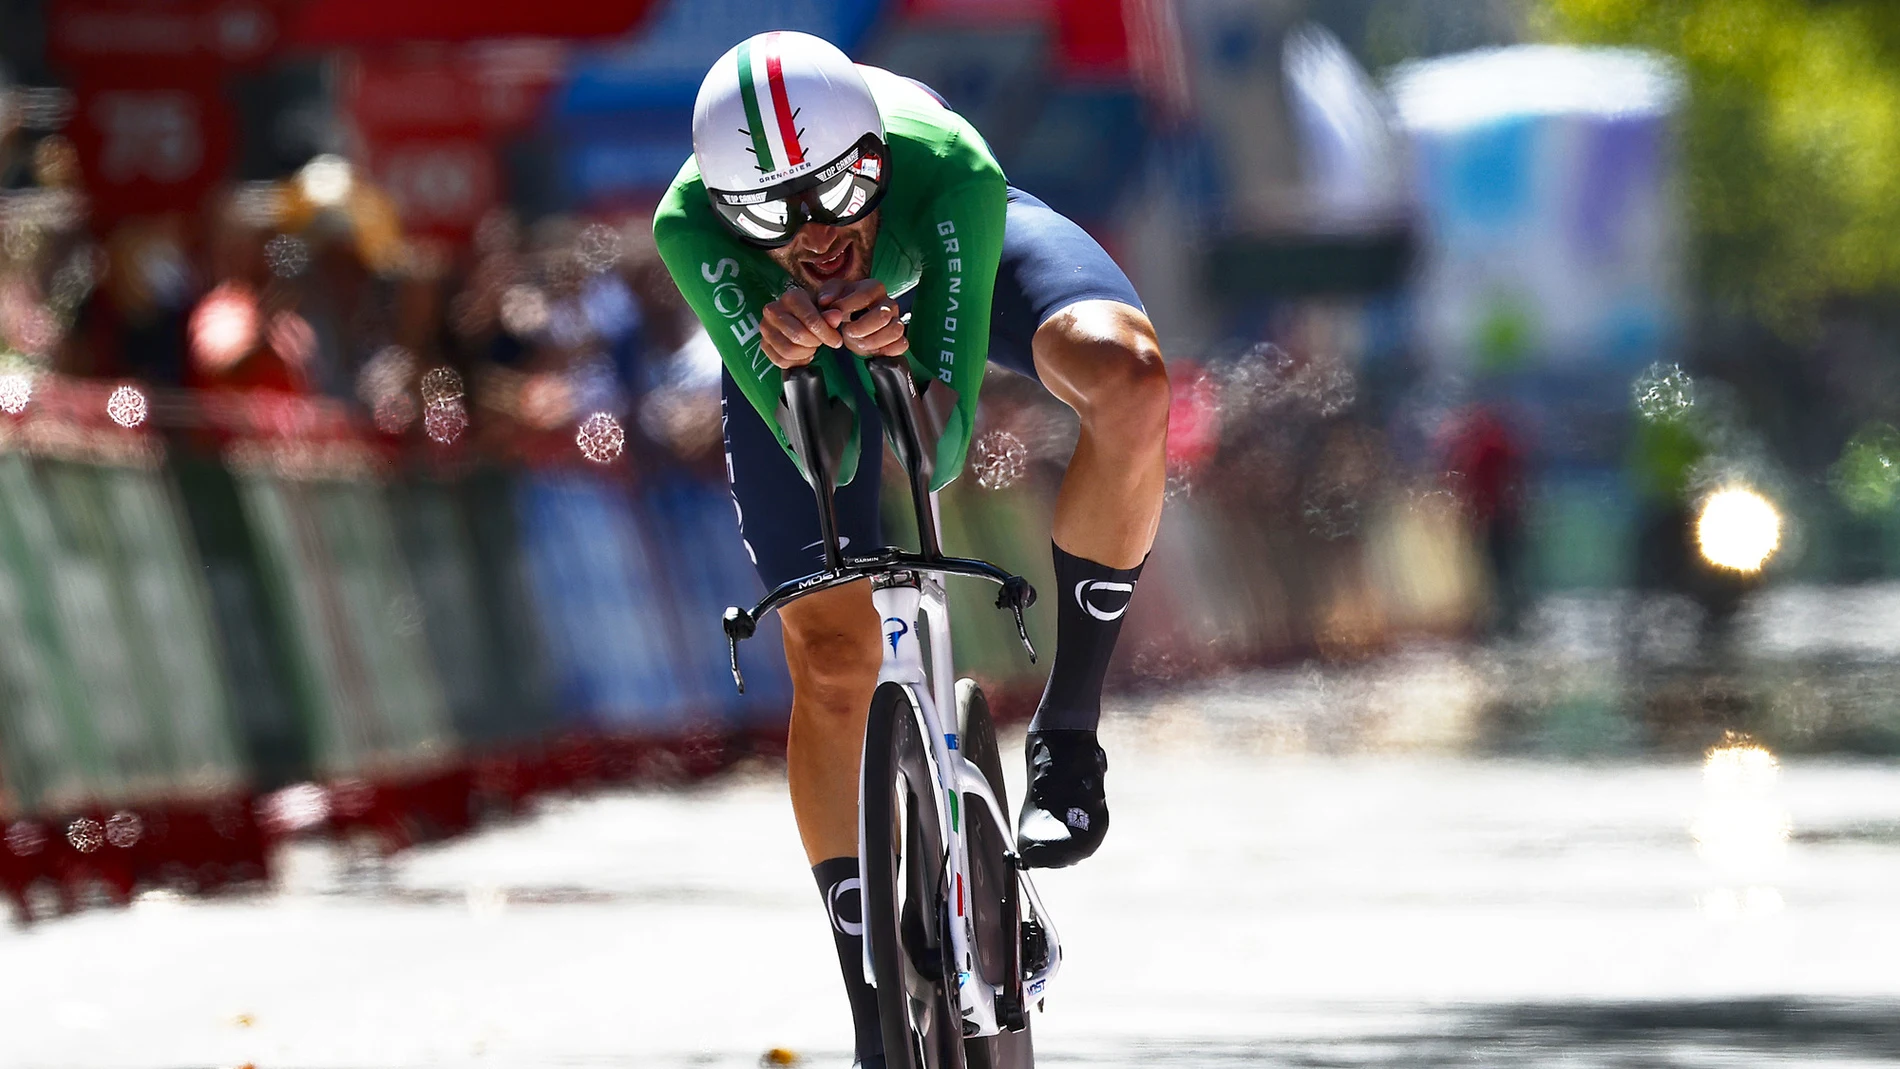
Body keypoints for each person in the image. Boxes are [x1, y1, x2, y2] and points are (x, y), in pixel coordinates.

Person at [653, 31, 1169, 1067]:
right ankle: (869, 1002)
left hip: (947, 255)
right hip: (799, 345)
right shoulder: (692, 227)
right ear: (726, 209)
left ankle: (1067, 736)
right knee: (833, 654)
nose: (810, 235)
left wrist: (897, 344)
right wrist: (801, 352)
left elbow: (935, 452)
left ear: (875, 160)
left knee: (1129, 377)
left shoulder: (945, 169)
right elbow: (830, 448)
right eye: (767, 214)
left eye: (836, 194)